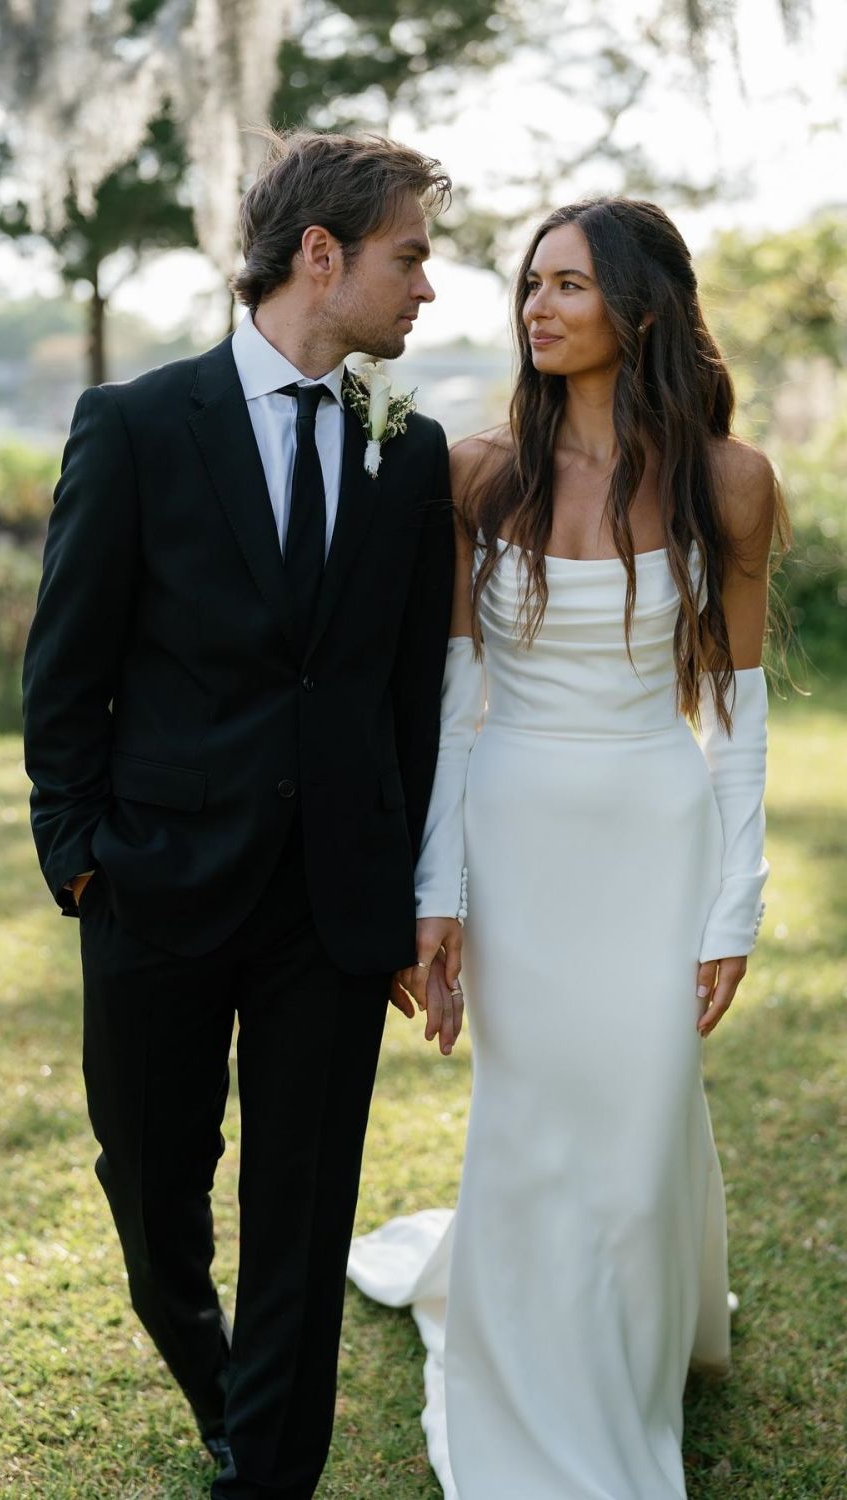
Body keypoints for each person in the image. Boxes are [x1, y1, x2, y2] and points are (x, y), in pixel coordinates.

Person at [22, 130, 457, 1500]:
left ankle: (266, 1472)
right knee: (154, 1204)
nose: (429, 290)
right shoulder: (139, 426)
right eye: (411, 257)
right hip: (153, 885)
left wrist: (398, 900)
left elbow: (407, 701)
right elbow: (66, 667)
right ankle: (222, 1388)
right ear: (318, 255)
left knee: (302, 1214)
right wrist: (81, 861)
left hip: (330, 911)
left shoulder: (415, 447)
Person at [349, 196, 786, 1499]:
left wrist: (735, 908)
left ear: (641, 309)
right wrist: (441, 898)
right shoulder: (480, 473)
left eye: (570, 286)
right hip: (519, 832)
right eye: (531, 285)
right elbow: (451, 708)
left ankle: (640, 1350)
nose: (536, 307)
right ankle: (537, 1394)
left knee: (643, 1122)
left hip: (657, 836)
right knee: (536, 1126)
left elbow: (740, 717)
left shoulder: (731, 481)